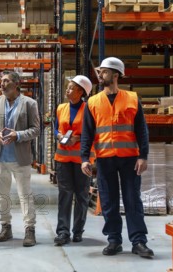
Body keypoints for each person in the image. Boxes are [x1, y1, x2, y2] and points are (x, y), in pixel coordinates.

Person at [80, 57, 154, 259]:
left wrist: (143, 156)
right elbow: (87, 132)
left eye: (103, 72)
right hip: (104, 159)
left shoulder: (132, 98)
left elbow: (142, 131)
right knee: (109, 201)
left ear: (115, 74)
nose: (100, 75)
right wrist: (85, 158)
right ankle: (114, 240)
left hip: (130, 159)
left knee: (133, 201)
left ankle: (138, 241)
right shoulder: (93, 102)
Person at [0, 70, 40, 247]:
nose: (2, 84)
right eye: (1, 81)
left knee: (25, 195)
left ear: (16, 84)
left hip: (20, 158)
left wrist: (19, 135)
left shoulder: (29, 103)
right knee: (1, 194)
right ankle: (5, 227)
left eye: (6, 81)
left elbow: (36, 129)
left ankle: (29, 229)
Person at [53, 75, 94, 246]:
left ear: (81, 92)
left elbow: (93, 132)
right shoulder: (61, 108)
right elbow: (55, 128)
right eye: (68, 87)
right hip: (63, 158)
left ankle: (78, 231)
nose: (67, 90)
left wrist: (77, 139)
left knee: (82, 195)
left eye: (71, 88)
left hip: (81, 160)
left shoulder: (89, 109)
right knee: (65, 195)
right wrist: (60, 135)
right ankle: (63, 232)